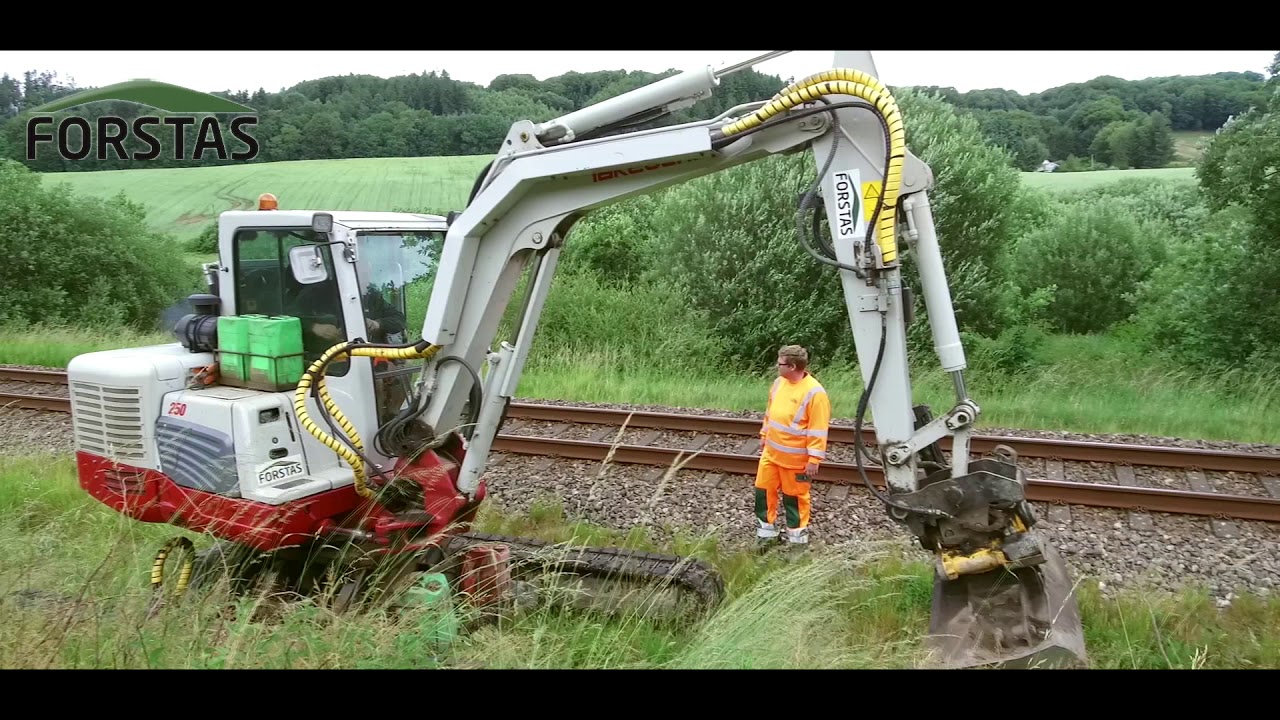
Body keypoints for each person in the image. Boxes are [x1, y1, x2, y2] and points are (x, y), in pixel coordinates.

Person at [754, 344, 831, 549]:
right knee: (763, 492)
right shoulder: (779, 383)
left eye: (780, 364)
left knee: (795, 499)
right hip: (771, 454)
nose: (776, 367)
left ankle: (798, 544)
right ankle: (766, 536)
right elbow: (771, 412)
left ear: (793, 366)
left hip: (796, 462)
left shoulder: (815, 393)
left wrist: (814, 459)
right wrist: (764, 434)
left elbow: (818, 428)